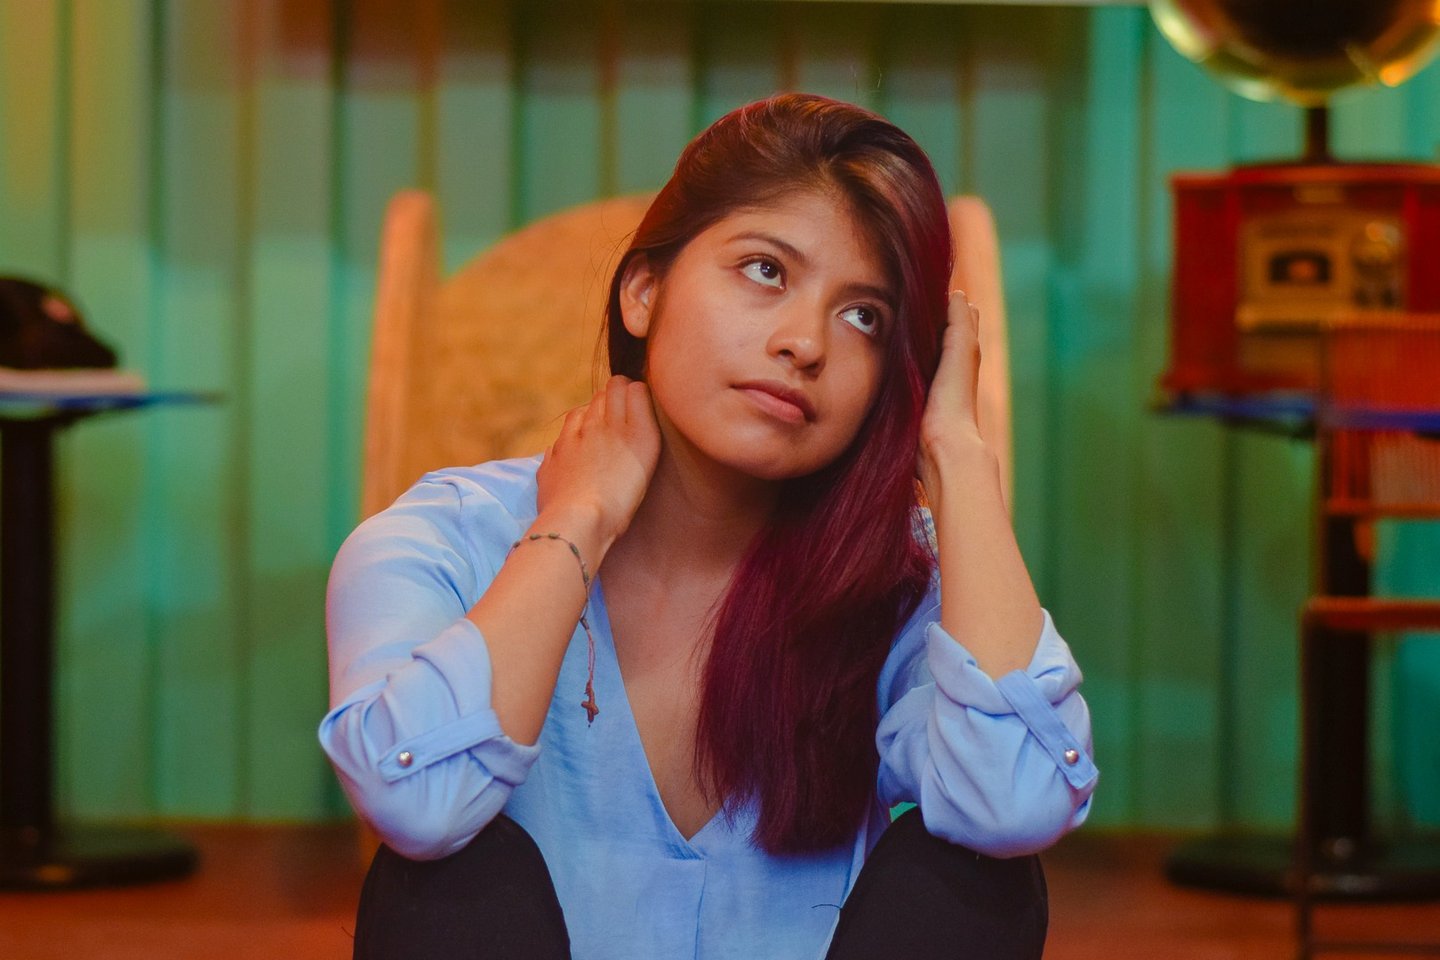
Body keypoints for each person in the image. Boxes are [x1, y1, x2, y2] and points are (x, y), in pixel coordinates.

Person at [319, 93, 1096, 960]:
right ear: (643, 292)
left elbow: (1018, 802)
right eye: (765, 270)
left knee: (977, 878)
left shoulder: (897, 585)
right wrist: (579, 518)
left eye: (863, 316)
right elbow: (414, 802)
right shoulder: (442, 541)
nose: (805, 343)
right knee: (445, 876)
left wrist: (957, 453)